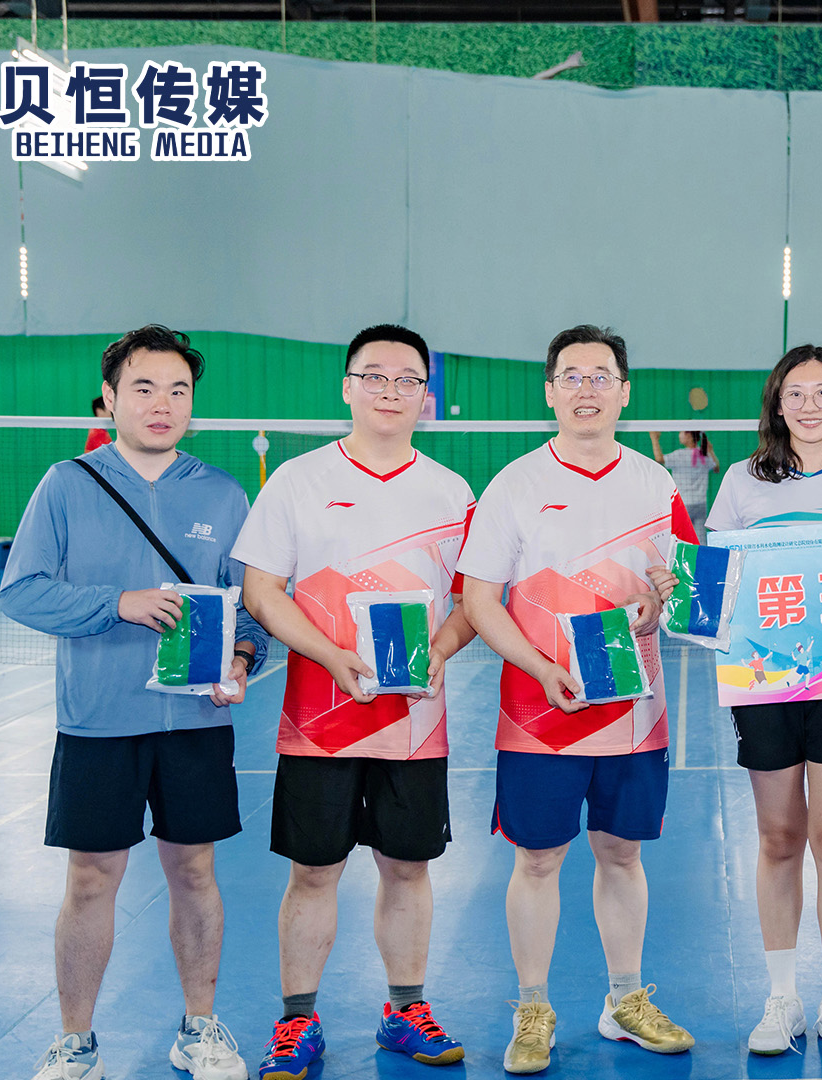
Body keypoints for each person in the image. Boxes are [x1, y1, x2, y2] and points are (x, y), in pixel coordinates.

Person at [2, 325, 267, 1080]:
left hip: (196, 722)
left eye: (178, 390)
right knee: (91, 880)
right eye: (144, 388)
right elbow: (21, 591)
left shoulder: (223, 492)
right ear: (110, 397)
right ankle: (75, 1041)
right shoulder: (67, 484)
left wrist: (242, 660)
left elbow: (250, 609)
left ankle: (200, 1027)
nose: (162, 403)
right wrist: (117, 603)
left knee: (195, 874)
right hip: (97, 723)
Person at [232, 325, 478, 1079]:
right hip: (319, 720)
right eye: (374, 376)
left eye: (407, 379)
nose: (390, 391)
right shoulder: (297, 481)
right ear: (347, 386)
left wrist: (438, 652)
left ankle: (405, 1011)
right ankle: (296, 1022)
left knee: (408, 868)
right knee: (314, 872)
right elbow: (261, 591)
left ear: (425, 397)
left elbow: (472, 601)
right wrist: (329, 654)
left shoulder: (452, 492)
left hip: (414, 724)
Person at [458, 325, 695, 1075]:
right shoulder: (514, 484)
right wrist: (538, 667)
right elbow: (479, 600)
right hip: (540, 713)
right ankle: (533, 1007)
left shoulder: (656, 485)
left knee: (622, 853)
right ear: (549, 391)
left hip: (635, 715)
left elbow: (680, 591)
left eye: (601, 376)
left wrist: (660, 604)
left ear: (624, 392)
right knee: (538, 859)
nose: (586, 388)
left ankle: (624, 1000)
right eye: (571, 375)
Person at [703, 344, 822, 1058]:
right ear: (777, 405)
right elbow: (715, 583)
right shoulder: (741, 482)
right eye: (795, 394)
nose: (809, 406)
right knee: (779, 836)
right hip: (766, 684)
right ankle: (782, 997)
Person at [650, 430, 719, 539]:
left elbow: (659, 458)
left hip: (684, 504)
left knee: (681, 538)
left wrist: (654, 439)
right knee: (701, 538)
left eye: (681, 432)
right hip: (701, 504)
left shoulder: (680, 455)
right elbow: (716, 467)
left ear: (689, 436)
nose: (679, 435)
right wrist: (710, 450)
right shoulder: (704, 456)